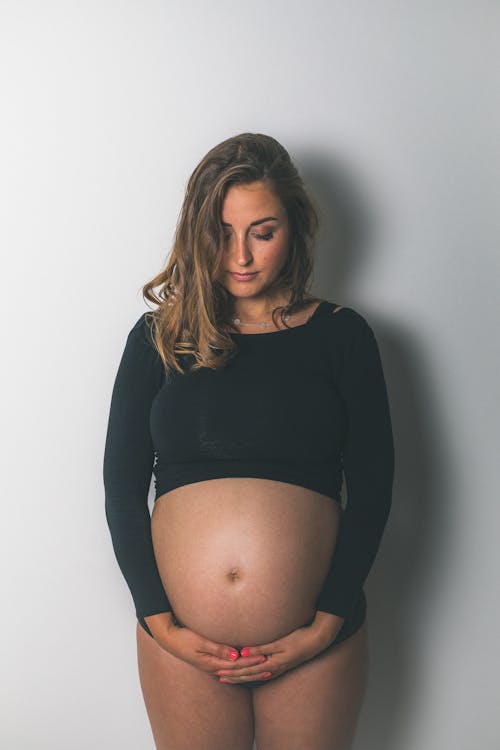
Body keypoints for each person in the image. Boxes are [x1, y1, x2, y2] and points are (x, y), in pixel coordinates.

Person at [103, 132, 395, 750]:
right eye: (221, 233)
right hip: (184, 647)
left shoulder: (343, 338)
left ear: (295, 227)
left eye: (262, 231)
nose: (240, 256)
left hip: (315, 643)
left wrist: (324, 626)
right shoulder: (158, 339)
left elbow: (373, 489)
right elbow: (120, 488)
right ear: (198, 233)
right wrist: (161, 623)